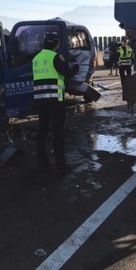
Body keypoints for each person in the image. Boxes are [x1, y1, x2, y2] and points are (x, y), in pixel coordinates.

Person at [32, 32, 79, 175]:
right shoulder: (55, 57)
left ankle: (43, 163)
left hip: (40, 101)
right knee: (57, 133)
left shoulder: (36, 58)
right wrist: (76, 65)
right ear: (56, 44)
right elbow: (69, 73)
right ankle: (61, 165)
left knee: (42, 132)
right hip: (56, 101)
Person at [117, 38, 135, 113]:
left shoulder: (129, 48)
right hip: (121, 66)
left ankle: (128, 85)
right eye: (123, 41)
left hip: (128, 65)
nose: (124, 42)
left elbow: (132, 56)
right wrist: (116, 63)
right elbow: (116, 56)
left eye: (125, 41)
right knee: (122, 77)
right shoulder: (119, 48)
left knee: (129, 76)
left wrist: (133, 62)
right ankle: (123, 85)